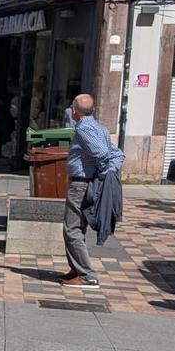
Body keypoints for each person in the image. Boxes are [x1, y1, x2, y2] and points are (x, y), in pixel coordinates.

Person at [61, 94, 123, 288]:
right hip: (87, 182)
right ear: (93, 109)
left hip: (81, 184)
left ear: (74, 111)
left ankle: (87, 275)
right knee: (78, 228)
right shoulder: (100, 128)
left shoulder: (83, 129)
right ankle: (76, 268)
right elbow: (117, 153)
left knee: (72, 229)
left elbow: (102, 153)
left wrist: (106, 173)